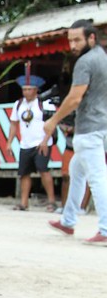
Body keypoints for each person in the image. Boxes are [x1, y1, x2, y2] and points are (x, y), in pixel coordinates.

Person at [46, 19, 107, 245]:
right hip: (100, 125)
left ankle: (105, 228)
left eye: (77, 40)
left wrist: (53, 120)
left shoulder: (85, 62)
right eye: (70, 40)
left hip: (89, 128)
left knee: (97, 178)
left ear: (91, 38)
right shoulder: (103, 58)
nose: (72, 45)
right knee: (77, 171)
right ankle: (68, 220)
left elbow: (74, 98)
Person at [7, 73, 57, 211]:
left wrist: (45, 140)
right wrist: (9, 142)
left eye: (29, 89)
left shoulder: (44, 103)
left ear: (36, 90)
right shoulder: (18, 104)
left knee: (43, 170)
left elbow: (52, 123)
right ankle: (24, 203)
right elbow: (13, 124)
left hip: (42, 142)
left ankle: (51, 202)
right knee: (24, 173)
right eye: (24, 89)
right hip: (25, 143)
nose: (26, 92)